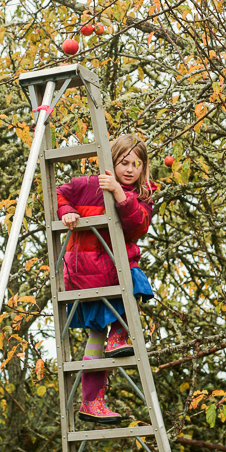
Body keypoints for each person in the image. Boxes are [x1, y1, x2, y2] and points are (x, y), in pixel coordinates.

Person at [56, 134, 155, 424]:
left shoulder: (141, 196)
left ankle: (91, 402)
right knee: (135, 280)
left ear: (143, 168)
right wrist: (68, 211)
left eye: (136, 164)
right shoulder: (87, 186)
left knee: (96, 337)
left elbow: (137, 227)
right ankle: (119, 336)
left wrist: (120, 194)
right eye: (124, 162)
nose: (129, 169)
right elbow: (59, 192)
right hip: (90, 273)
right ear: (110, 161)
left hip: (110, 272)